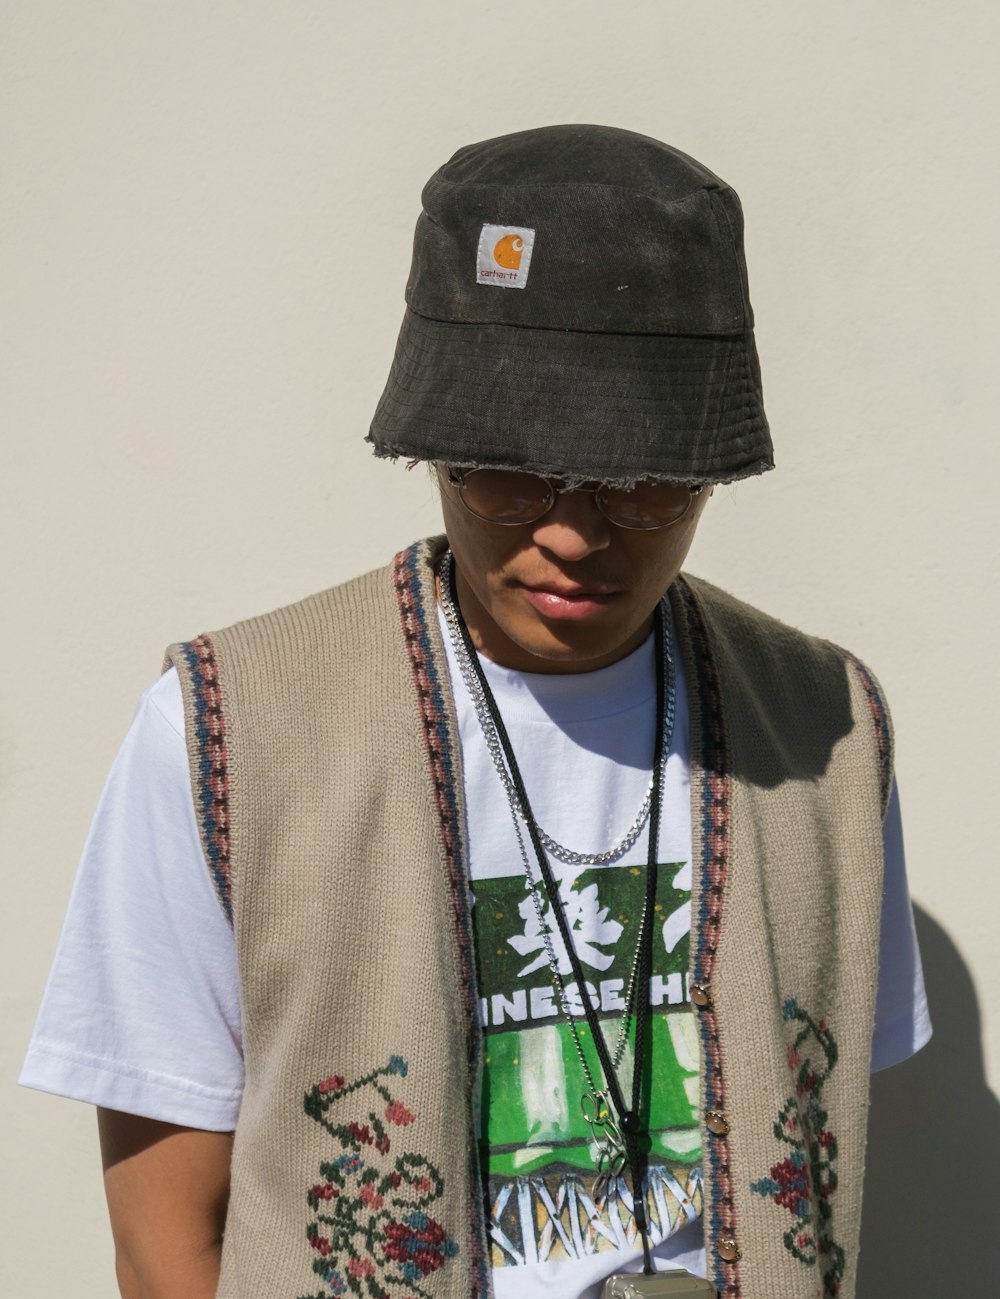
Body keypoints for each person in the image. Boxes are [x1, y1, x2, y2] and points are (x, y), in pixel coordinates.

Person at [21, 124, 930, 1299]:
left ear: (710, 469)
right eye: (505, 469)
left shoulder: (824, 733)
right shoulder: (229, 729)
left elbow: (821, 1137)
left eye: (643, 480)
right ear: (433, 446)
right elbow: (164, 1236)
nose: (570, 531)